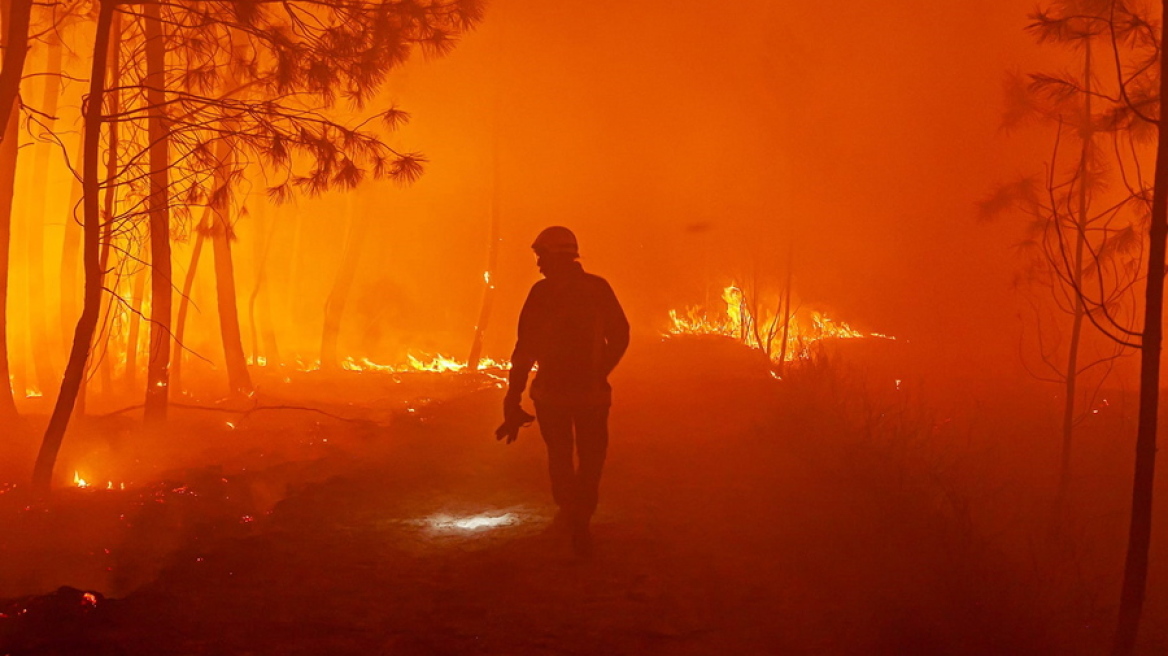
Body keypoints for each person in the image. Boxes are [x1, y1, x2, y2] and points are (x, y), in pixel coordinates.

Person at [502, 226, 630, 556]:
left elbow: (525, 350)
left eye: (541, 256)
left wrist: (512, 398)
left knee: (560, 456)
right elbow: (621, 335)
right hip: (593, 395)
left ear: (553, 256)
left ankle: (572, 514)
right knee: (591, 458)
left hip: (552, 396)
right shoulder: (598, 288)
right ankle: (580, 517)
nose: (539, 264)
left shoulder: (541, 294)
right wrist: (601, 370)